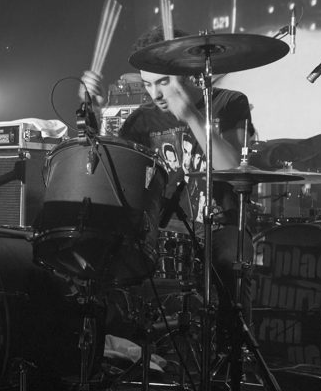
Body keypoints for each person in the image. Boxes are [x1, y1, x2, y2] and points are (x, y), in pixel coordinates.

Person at [82, 25, 254, 337]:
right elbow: (112, 172)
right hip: (162, 229)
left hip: (221, 226)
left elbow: (233, 168)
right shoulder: (143, 119)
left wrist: (190, 115)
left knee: (231, 262)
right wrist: (94, 118)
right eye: (148, 84)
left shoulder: (229, 103)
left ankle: (234, 362)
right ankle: (127, 353)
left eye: (163, 82)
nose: (156, 94)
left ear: (191, 72)